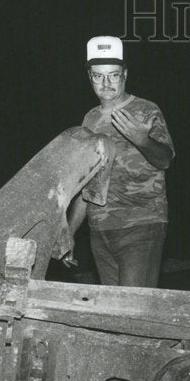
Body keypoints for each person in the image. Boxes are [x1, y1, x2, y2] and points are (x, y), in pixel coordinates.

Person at [60, 35, 174, 287]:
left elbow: (165, 160)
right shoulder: (89, 119)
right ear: (90, 77)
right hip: (100, 231)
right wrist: (69, 232)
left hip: (141, 225)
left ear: (124, 74)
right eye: (99, 76)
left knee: (132, 311)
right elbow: (86, 183)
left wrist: (142, 140)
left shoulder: (146, 110)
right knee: (112, 313)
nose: (106, 82)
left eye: (113, 75)